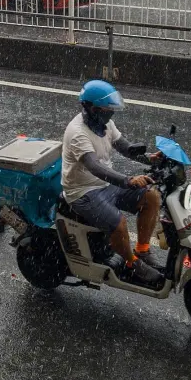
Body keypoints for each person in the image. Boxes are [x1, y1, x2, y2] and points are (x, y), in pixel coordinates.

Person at [61, 80, 163, 285]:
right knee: (119, 224)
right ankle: (131, 264)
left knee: (151, 197)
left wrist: (150, 158)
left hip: (105, 184)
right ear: (92, 109)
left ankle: (142, 251)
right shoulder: (77, 133)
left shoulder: (104, 124)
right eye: (108, 111)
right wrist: (128, 180)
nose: (111, 115)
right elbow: (94, 167)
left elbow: (125, 147)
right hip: (83, 191)